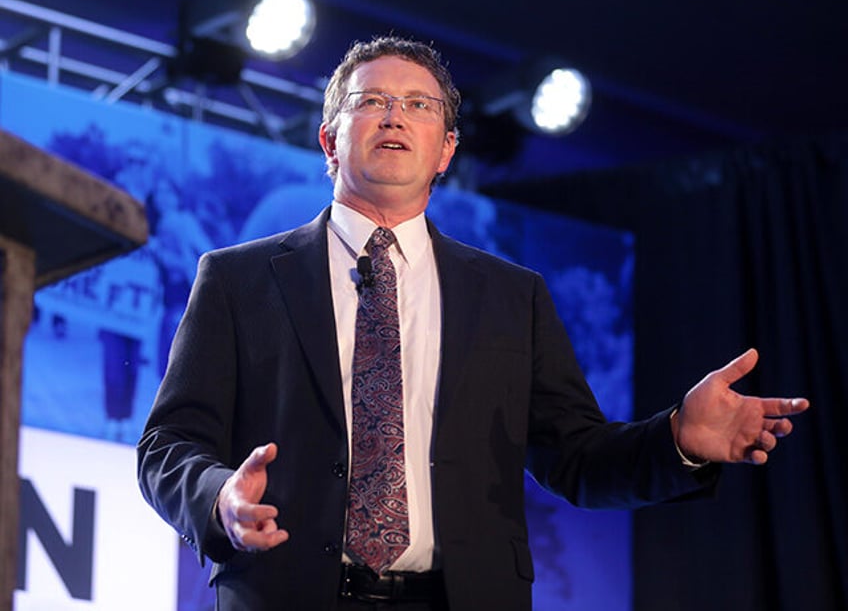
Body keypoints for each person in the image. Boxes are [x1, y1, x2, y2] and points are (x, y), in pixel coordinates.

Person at [136, 36, 809, 611]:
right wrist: (220, 497)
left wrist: (676, 440)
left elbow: (575, 457)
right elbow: (168, 447)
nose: (394, 115)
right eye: (371, 101)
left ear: (446, 149)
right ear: (329, 140)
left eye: (419, 105)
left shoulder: (511, 297)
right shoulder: (238, 279)